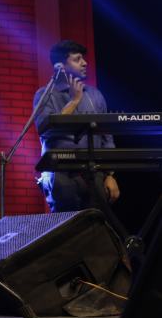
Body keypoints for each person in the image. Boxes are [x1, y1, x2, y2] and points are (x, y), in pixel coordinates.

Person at [35, 40, 119, 212]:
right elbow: (46, 130)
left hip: (94, 173)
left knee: (96, 225)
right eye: (77, 59)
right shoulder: (45, 94)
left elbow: (106, 138)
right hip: (60, 174)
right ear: (61, 66)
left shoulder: (95, 95)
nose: (84, 63)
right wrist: (74, 101)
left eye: (83, 59)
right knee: (66, 227)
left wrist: (110, 175)